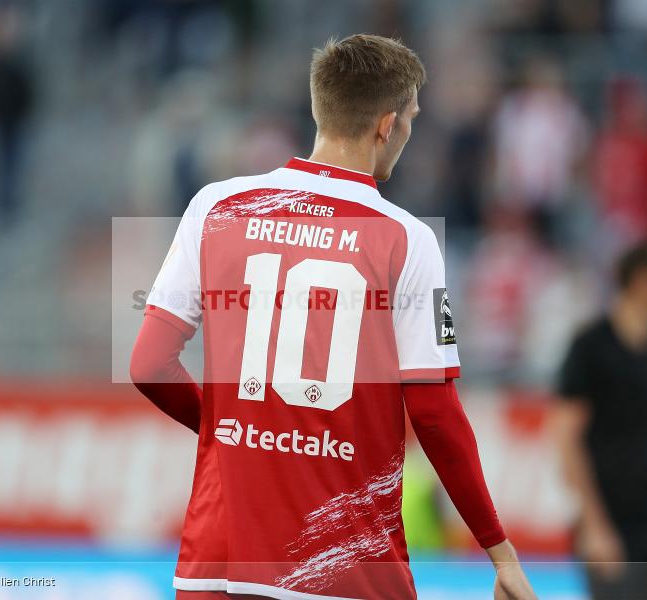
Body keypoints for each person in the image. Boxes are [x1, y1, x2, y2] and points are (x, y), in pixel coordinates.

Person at [130, 34, 536, 600]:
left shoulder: (217, 205)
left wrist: (228, 436)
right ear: (385, 124)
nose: (410, 133)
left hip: (218, 560)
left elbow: (149, 364)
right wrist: (500, 551)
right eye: (411, 119)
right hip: (344, 570)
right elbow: (434, 413)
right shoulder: (407, 240)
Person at [554, 236, 647, 600]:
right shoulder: (591, 347)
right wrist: (594, 525)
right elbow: (565, 437)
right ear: (642, 280)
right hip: (611, 525)